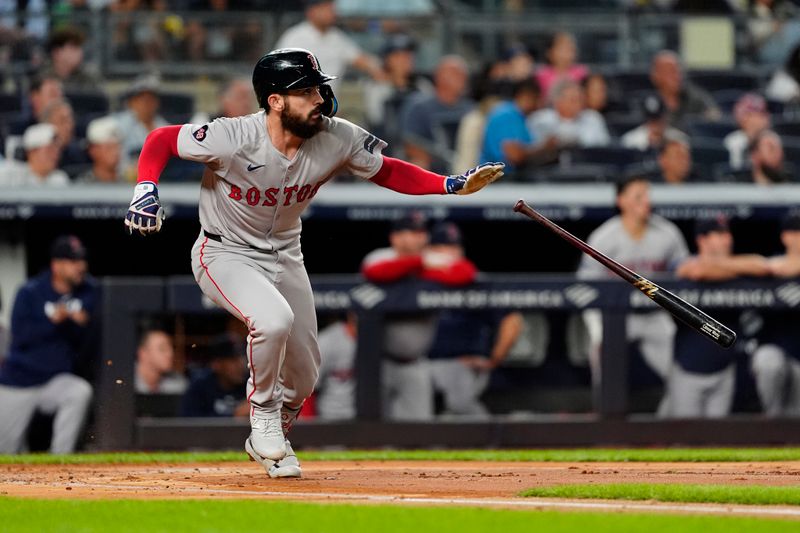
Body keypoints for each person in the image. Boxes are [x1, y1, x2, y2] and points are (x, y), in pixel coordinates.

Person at [123, 48, 504, 478]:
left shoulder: (335, 136)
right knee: (272, 321)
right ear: (275, 101)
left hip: (285, 253)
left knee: (305, 375)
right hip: (224, 250)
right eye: (305, 91)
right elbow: (160, 140)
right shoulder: (234, 136)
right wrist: (145, 187)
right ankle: (263, 416)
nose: (319, 98)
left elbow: (387, 171)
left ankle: (275, 438)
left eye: (318, 88)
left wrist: (447, 185)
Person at [577, 175, 689, 410]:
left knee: (679, 372)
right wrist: (597, 329)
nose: (646, 201)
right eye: (638, 196)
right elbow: (585, 289)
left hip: (653, 315)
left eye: (647, 195)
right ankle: (606, 428)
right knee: (603, 367)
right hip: (616, 316)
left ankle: (671, 426)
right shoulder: (604, 237)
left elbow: (684, 276)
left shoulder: (667, 233)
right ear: (621, 200)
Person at [0, 236, 97, 453]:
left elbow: (88, 337)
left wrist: (80, 324)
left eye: (82, 260)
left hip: (54, 381)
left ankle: (60, 458)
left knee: (79, 391)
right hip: (18, 381)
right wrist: (53, 322)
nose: (80, 266)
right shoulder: (30, 292)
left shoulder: (88, 291)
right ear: (56, 265)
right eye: (73, 261)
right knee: (4, 451)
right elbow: (21, 337)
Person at [665, 217, 769, 418]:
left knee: (718, 442)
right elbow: (697, 271)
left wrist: (727, 266)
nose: (727, 239)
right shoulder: (684, 263)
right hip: (687, 369)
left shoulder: (735, 266)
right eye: (719, 234)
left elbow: (761, 265)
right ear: (702, 240)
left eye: (727, 234)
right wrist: (735, 268)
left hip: (724, 370)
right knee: (685, 441)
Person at [425, 222, 523, 417]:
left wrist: (493, 359)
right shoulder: (417, 281)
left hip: (463, 363)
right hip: (420, 362)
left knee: (460, 404)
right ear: (428, 250)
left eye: (454, 247)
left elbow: (512, 320)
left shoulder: (475, 281)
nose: (448, 253)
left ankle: (488, 441)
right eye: (440, 247)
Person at [361, 212, 437, 421]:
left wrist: (425, 263)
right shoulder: (380, 256)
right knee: (370, 426)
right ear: (395, 237)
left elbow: (463, 273)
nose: (416, 238)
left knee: (418, 431)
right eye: (409, 232)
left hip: (415, 361)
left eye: (420, 232)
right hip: (376, 360)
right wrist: (419, 263)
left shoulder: (434, 258)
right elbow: (374, 271)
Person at [274, 0, 383, 91]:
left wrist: (380, 69)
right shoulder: (294, 37)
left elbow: (361, 60)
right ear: (312, 12)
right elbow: (276, 69)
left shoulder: (337, 38)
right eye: (326, 8)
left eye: (332, 9)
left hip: (326, 107)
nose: (332, 13)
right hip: (297, 105)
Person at [751, 214, 800, 416]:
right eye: (796, 232)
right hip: (775, 346)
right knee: (768, 362)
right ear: (785, 237)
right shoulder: (772, 264)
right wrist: (768, 267)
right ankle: (770, 423)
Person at [402, 55, 475, 173]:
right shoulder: (420, 107)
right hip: (433, 166)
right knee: (417, 163)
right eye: (456, 73)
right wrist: (440, 159)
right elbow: (411, 144)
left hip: (467, 165)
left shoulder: (470, 109)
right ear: (439, 76)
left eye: (464, 74)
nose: (463, 77)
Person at [363, 33, 431, 156]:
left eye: (409, 55)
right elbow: (376, 122)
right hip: (387, 152)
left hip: (420, 149)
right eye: (399, 56)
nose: (406, 60)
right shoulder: (377, 88)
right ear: (388, 60)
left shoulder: (423, 86)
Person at [480, 78, 557, 175]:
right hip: (497, 181)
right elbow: (514, 156)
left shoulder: (521, 118)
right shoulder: (506, 115)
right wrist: (545, 147)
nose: (539, 105)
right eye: (537, 99)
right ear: (526, 96)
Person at [527, 79, 610, 149]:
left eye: (580, 99)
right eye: (573, 100)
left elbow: (604, 148)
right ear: (557, 102)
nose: (579, 103)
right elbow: (532, 148)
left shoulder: (593, 118)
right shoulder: (539, 119)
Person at [649, 50, 721, 130]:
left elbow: (714, 115)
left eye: (679, 71)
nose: (677, 76)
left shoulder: (695, 97)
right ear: (655, 76)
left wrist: (710, 117)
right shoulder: (649, 102)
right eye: (670, 71)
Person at [180, 334, 248, 418]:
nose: (241, 365)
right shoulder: (200, 387)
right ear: (216, 364)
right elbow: (189, 424)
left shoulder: (253, 385)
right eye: (233, 361)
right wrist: (234, 415)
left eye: (243, 358)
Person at [115, 74, 169, 177]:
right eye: (142, 99)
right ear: (131, 102)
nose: (147, 103)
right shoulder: (118, 124)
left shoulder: (164, 126)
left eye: (151, 99)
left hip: (161, 179)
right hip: (123, 180)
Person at [315, 313, 357, 420]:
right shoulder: (327, 340)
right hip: (330, 414)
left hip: (363, 415)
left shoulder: (374, 340)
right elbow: (311, 386)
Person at [0, 124, 70, 187]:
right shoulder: (9, 174)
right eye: (50, 150)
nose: (55, 155)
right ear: (32, 151)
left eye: (57, 150)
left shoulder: (60, 179)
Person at [621, 94, 686, 152]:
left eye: (658, 119)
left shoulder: (679, 139)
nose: (655, 124)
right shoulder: (630, 140)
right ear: (646, 119)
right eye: (652, 120)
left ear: (665, 117)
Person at [535, 31, 588, 101]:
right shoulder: (541, 74)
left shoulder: (582, 73)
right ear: (549, 52)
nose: (567, 52)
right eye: (562, 48)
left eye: (570, 48)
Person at [723, 93, 771, 170]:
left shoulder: (772, 139)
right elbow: (735, 170)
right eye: (755, 114)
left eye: (762, 113)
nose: (762, 118)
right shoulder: (733, 141)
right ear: (743, 118)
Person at [728, 129, 793, 184]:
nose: (778, 154)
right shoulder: (738, 187)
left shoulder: (793, 184)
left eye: (780, 148)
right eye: (771, 148)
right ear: (754, 155)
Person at [135, 329, 188, 394]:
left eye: (171, 348)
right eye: (162, 348)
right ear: (143, 353)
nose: (170, 354)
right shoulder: (124, 381)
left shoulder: (178, 383)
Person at [76, 116, 124, 183]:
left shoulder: (129, 180)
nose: (115, 152)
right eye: (109, 148)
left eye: (117, 147)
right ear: (93, 150)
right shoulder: (84, 185)